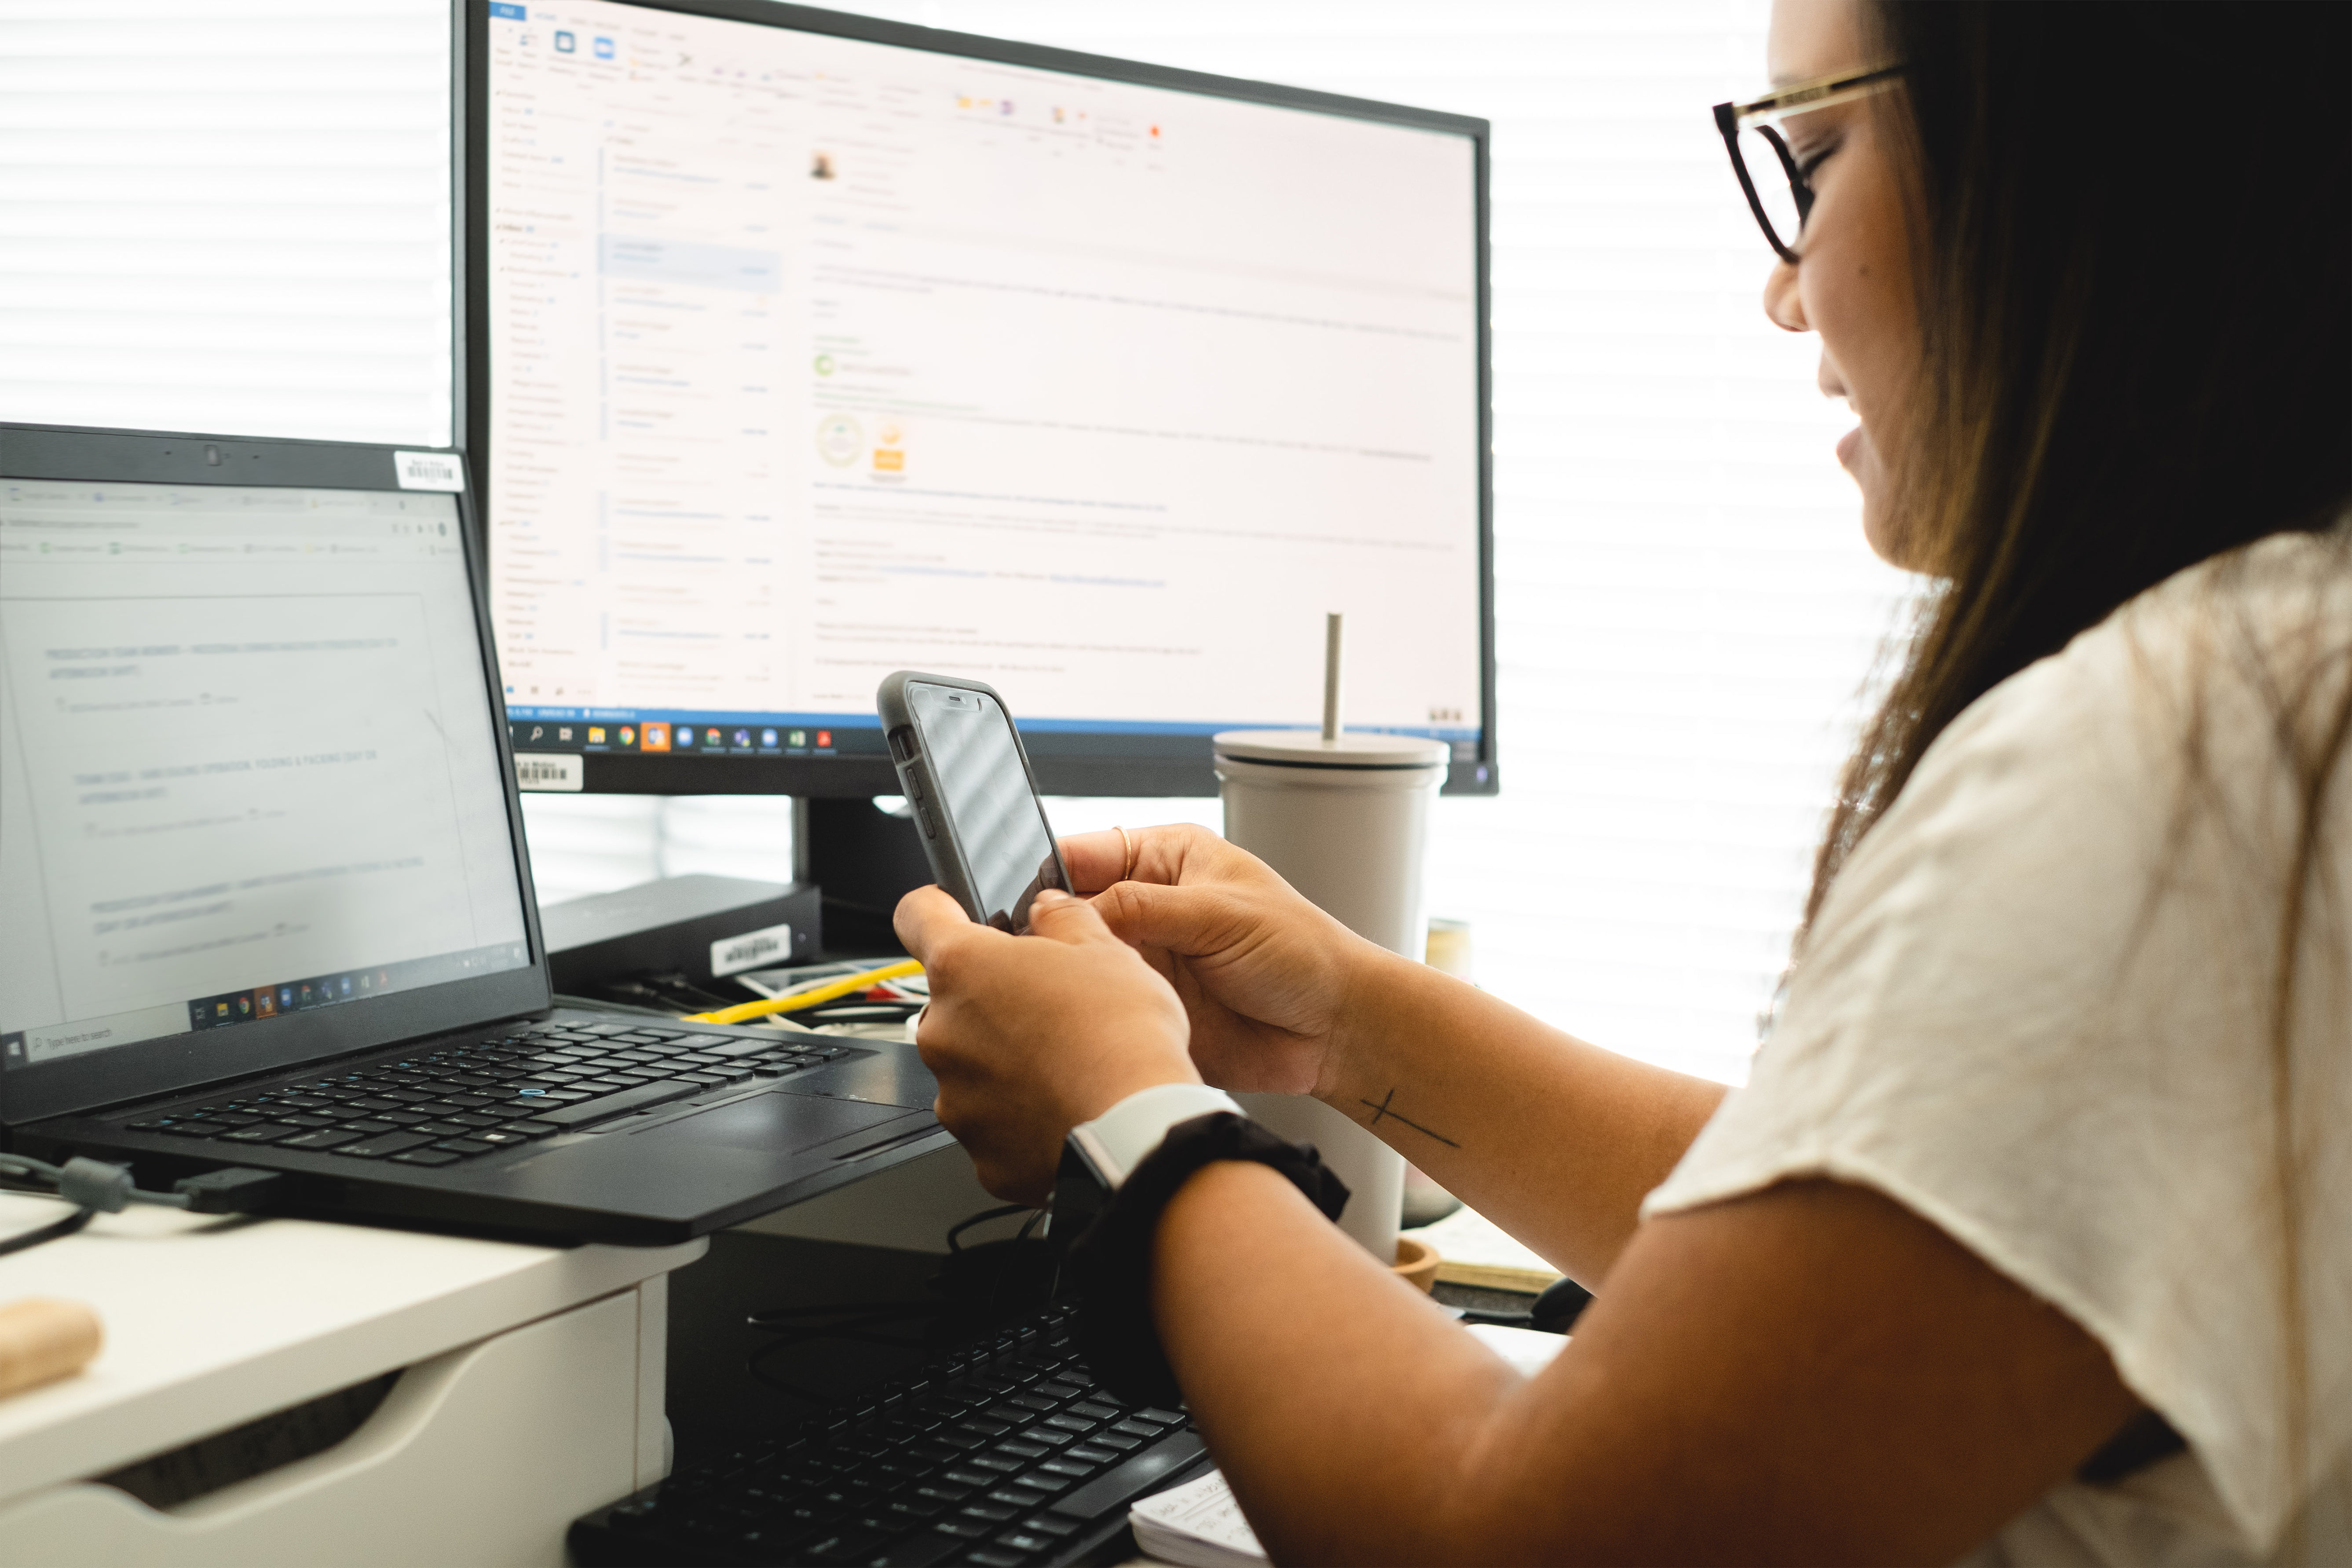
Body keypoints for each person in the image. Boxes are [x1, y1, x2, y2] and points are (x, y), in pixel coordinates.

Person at [893, 1, 2352, 1561]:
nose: (1785, 293)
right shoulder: (2287, 685)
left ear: (2085, 161)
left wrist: (1130, 1120)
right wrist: (1353, 1016)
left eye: (1814, 156)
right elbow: (1878, 1257)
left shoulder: (2187, 758)